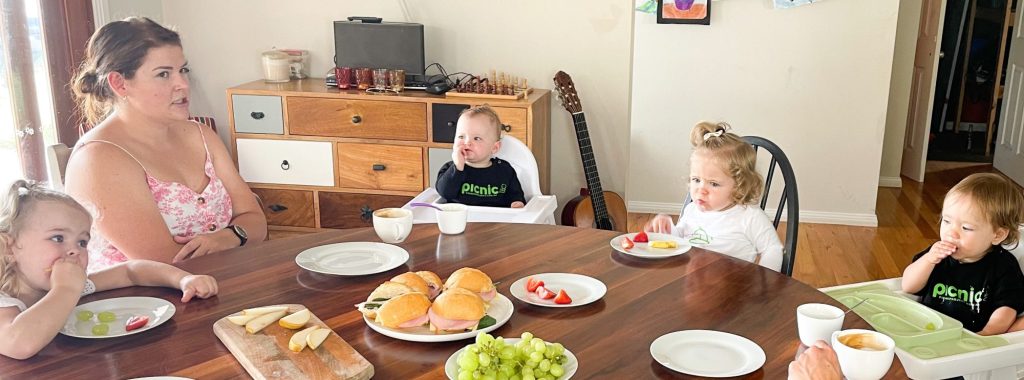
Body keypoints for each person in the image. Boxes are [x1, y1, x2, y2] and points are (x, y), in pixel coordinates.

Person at [65, 17, 266, 271]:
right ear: (120, 83)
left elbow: (256, 222)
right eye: (163, 74)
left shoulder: (201, 135)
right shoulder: (98, 158)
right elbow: (164, 262)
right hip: (146, 304)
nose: (182, 84)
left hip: (222, 285)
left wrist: (228, 237)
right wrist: (238, 237)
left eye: (183, 70)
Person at [0, 180, 218, 359]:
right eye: (58, 238)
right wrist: (65, 290)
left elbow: (131, 271)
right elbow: (20, 344)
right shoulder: (6, 301)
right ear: (9, 247)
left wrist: (183, 279)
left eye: (82, 242)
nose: (74, 251)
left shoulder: (68, 284)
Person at [644, 122, 784, 271]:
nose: (701, 190)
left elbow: (772, 249)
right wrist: (667, 230)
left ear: (739, 185)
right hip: (693, 284)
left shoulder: (749, 216)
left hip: (733, 287)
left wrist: (765, 284)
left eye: (714, 184)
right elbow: (680, 241)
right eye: (696, 180)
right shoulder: (692, 210)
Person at [902, 173, 1024, 336]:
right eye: (946, 221)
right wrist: (929, 260)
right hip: (927, 331)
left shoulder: (1003, 266)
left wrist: (985, 335)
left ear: (997, 235)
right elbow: (908, 286)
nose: (952, 233)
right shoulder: (937, 254)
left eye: (966, 228)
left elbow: (1006, 310)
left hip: (971, 339)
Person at [435, 105, 526, 208]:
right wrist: (458, 168)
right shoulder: (450, 169)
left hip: (495, 221)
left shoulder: (505, 171)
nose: (467, 142)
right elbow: (445, 193)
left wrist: (517, 202)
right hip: (460, 220)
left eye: (477, 138)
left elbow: (516, 195)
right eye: (461, 136)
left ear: (494, 147)